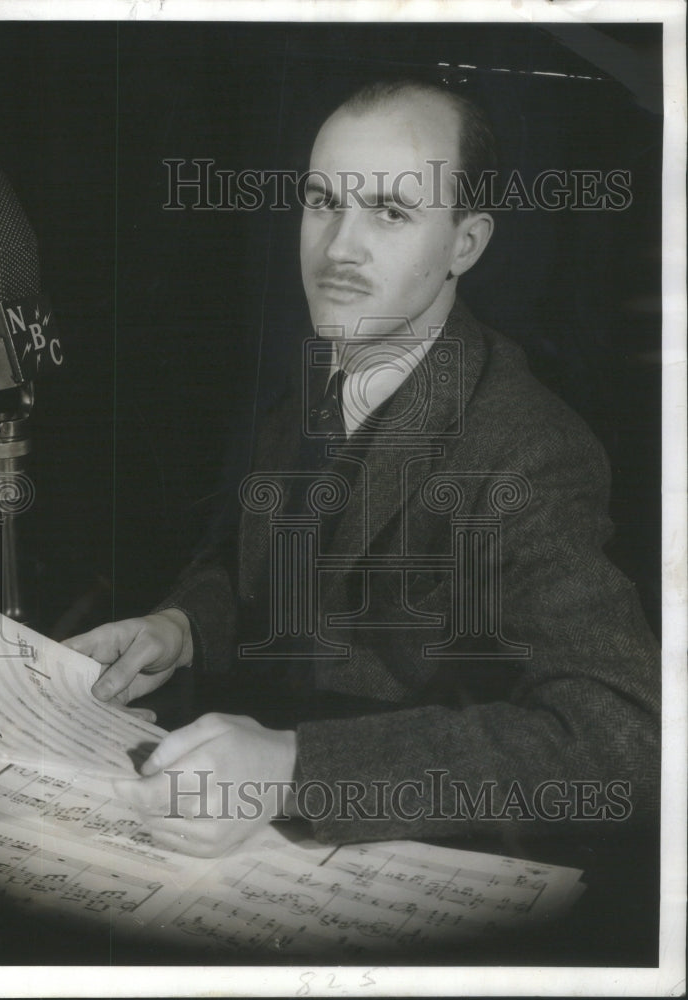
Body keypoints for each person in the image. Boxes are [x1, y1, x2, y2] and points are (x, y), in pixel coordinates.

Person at [65, 80, 660, 858]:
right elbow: (262, 564)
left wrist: (294, 772)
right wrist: (180, 629)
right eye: (322, 201)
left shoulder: (527, 448)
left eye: (389, 211)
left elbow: (622, 738)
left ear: (465, 244)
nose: (339, 247)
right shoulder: (313, 386)